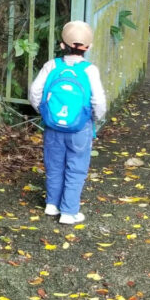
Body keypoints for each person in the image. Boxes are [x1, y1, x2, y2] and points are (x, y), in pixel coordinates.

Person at [28, 21, 107, 224]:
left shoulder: (51, 66)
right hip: (80, 127)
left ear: (62, 45)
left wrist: (45, 113)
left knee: (54, 165)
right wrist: (94, 119)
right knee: (76, 167)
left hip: (53, 127)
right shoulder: (90, 70)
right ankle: (69, 212)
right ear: (87, 48)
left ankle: (52, 205)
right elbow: (98, 101)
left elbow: (34, 92)